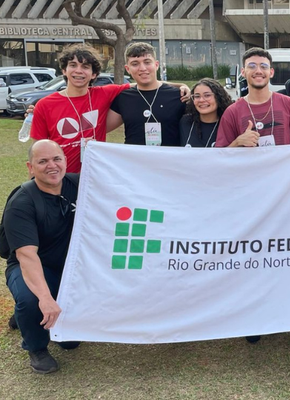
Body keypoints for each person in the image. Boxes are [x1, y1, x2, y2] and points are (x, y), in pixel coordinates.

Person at [3, 140, 80, 374]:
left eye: (57, 159)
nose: (52, 166)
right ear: (30, 167)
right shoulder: (22, 203)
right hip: (32, 265)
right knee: (32, 299)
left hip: (68, 266)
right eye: (43, 161)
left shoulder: (79, 184)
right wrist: (45, 297)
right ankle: (36, 347)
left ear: (65, 161)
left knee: (70, 343)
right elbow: (27, 256)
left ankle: (26, 316)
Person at [30, 44, 130, 173]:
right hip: (60, 178)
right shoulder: (45, 105)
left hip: (94, 175)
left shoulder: (104, 94)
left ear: (94, 74)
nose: (78, 70)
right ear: (64, 70)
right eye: (73, 65)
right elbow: (37, 152)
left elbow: (145, 85)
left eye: (85, 67)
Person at [216, 48, 290, 148]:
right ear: (243, 72)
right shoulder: (232, 112)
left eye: (264, 66)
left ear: (271, 72)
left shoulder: (289, 104)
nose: (258, 71)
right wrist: (238, 142)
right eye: (252, 66)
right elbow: (221, 156)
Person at [108, 42, 191, 146]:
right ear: (127, 69)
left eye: (147, 62)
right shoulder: (123, 98)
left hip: (170, 160)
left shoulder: (179, 95)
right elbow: (100, 129)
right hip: (134, 160)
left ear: (156, 65)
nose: (142, 68)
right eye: (135, 64)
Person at [179, 78, 233, 147]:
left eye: (207, 95)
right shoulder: (186, 122)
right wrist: (181, 85)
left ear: (218, 97)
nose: (201, 100)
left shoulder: (228, 125)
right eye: (197, 96)